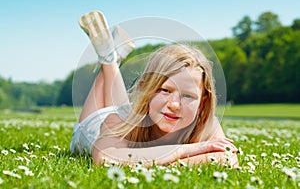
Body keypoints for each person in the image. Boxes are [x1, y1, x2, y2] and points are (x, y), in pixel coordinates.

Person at [70, 11, 238, 167]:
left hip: (134, 112)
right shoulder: (116, 120)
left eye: (188, 96)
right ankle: (108, 58)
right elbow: (106, 158)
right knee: (121, 113)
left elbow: (228, 158)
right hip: (95, 125)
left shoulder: (206, 125)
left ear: (202, 103)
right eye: (165, 90)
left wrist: (168, 162)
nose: (175, 105)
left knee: (129, 110)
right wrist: (181, 151)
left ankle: (109, 57)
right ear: (145, 89)